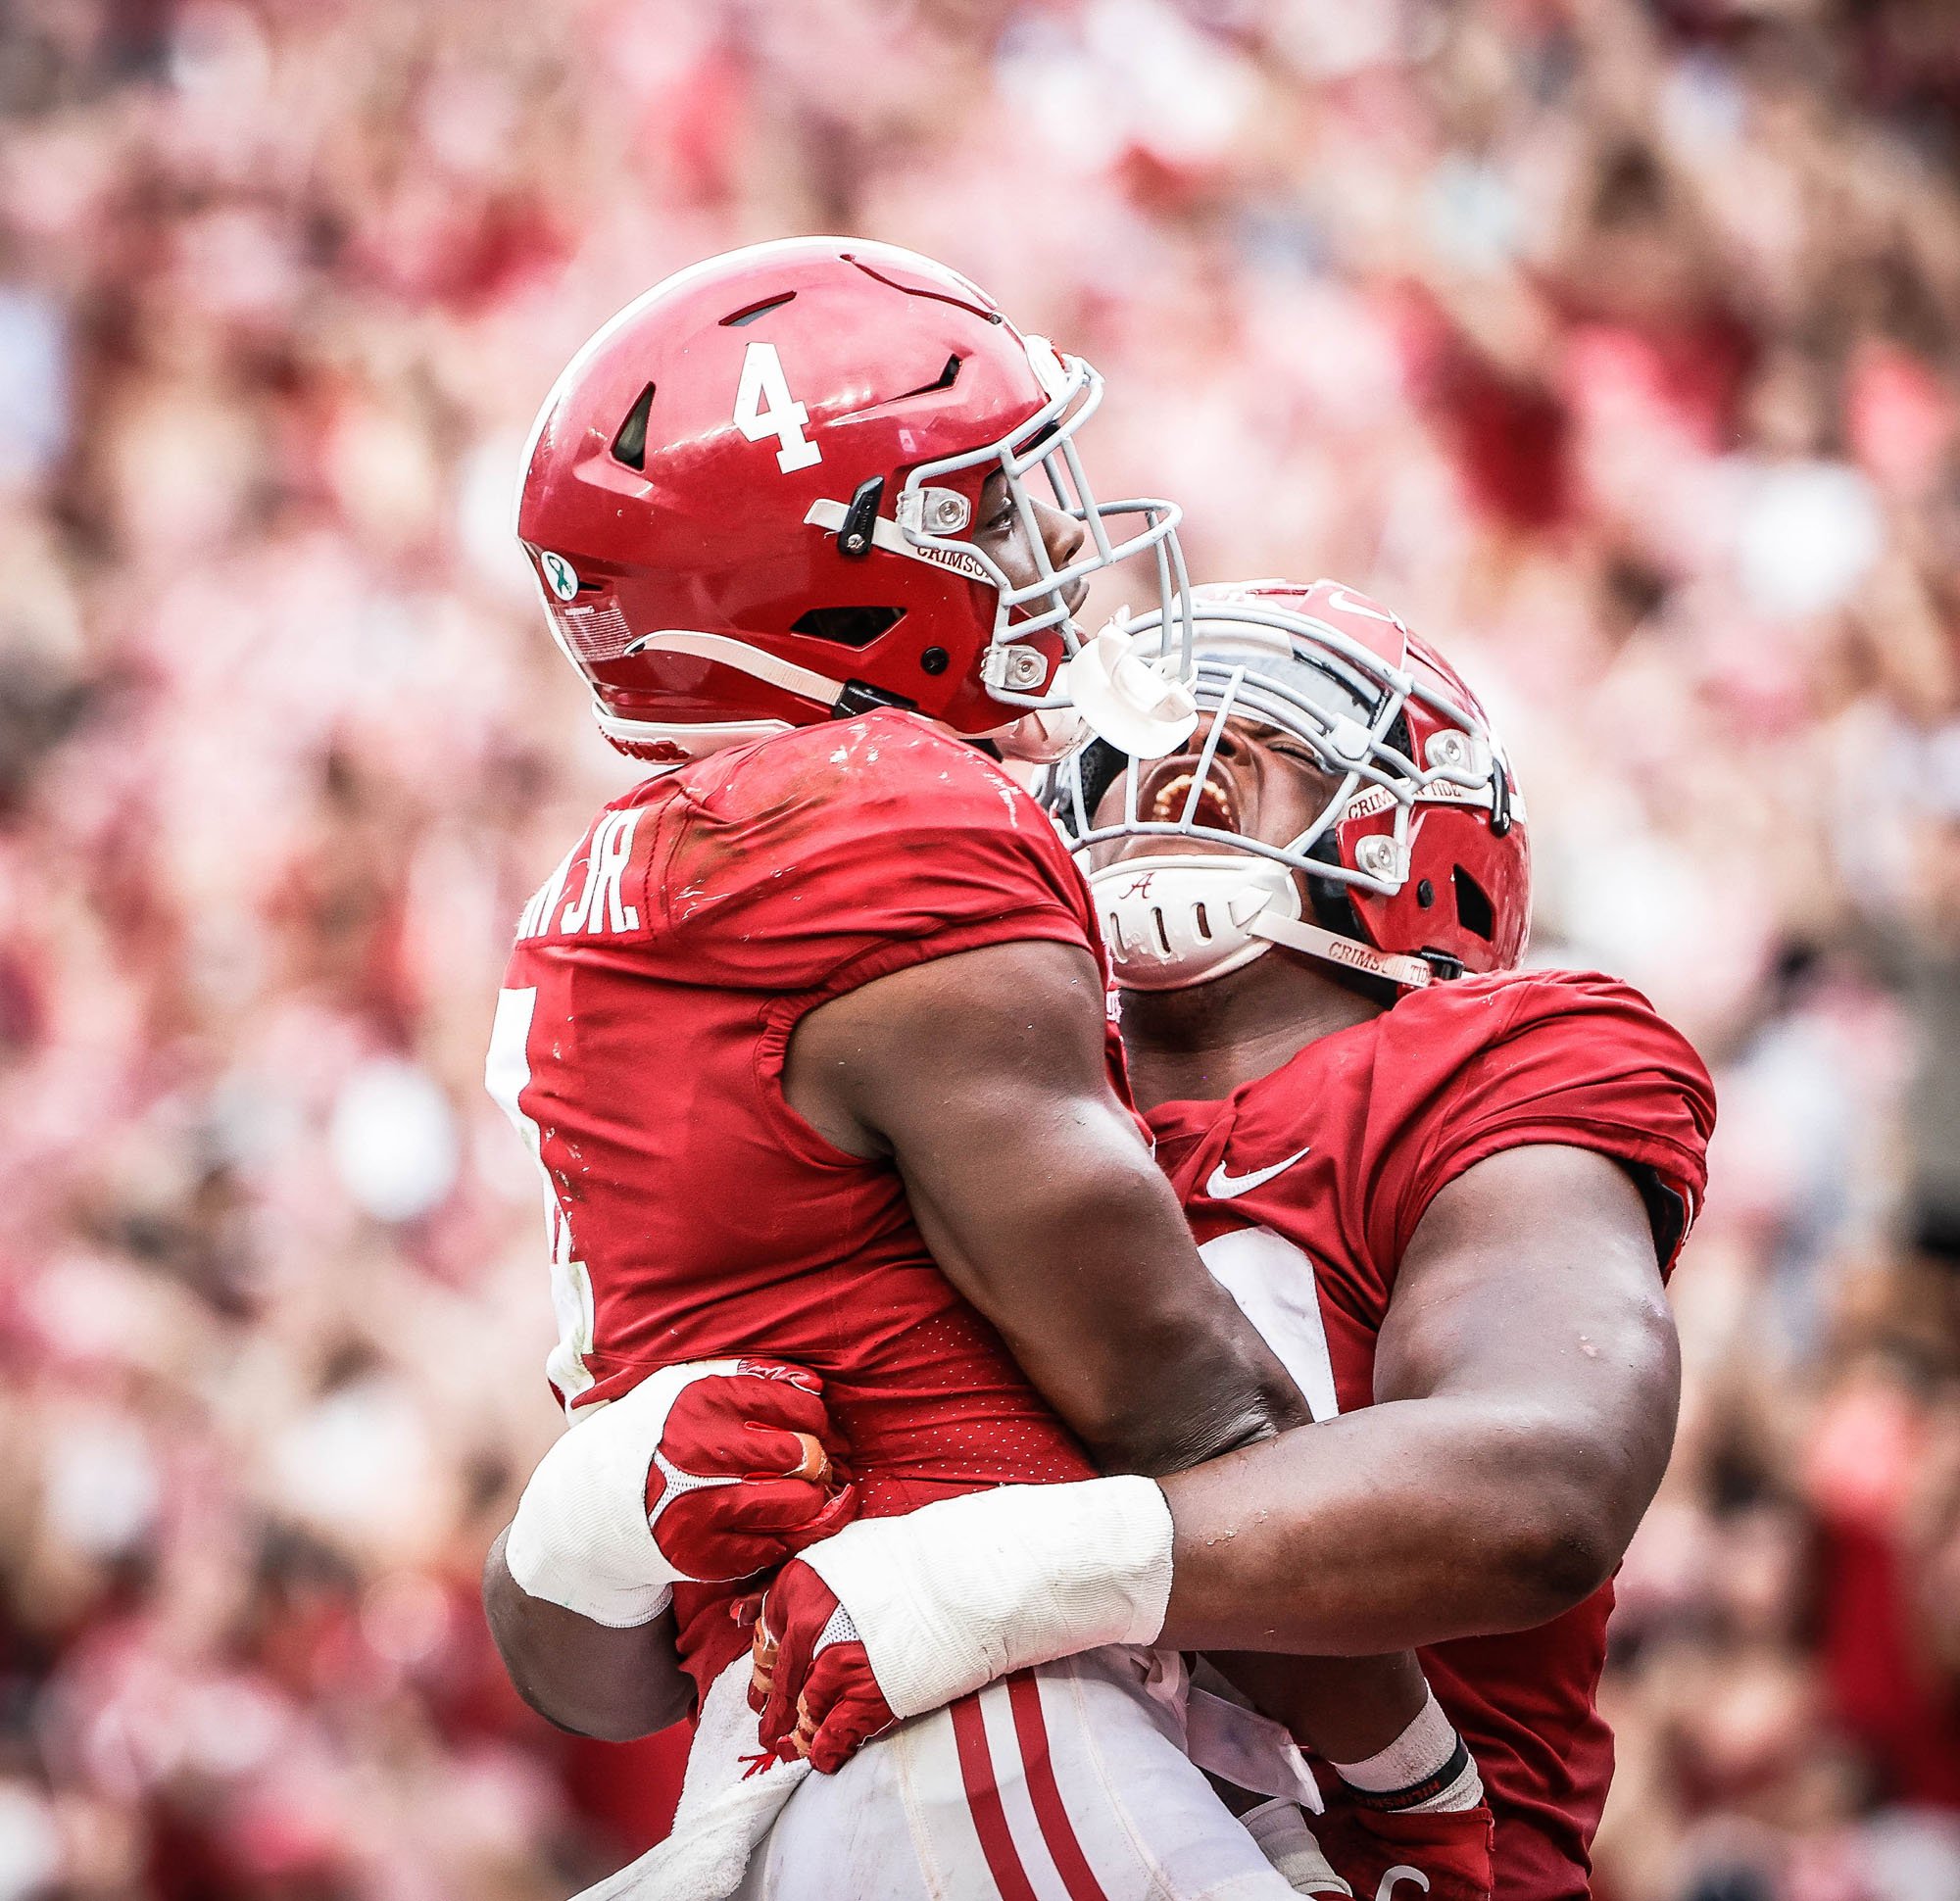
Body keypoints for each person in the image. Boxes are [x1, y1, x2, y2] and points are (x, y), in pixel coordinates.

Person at [480, 244, 1479, 1901]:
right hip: (984, 1731)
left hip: (814, 1748)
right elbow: (1175, 1392)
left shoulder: (621, 882)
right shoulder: (886, 814)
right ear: (816, 581)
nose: (1062, 547)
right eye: (990, 508)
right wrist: (1409, 1771)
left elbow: (599, 1662)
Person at [750, 580, 1718, 1901]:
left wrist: (999, 1578)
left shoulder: (1499, 1059)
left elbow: (1543, 1488)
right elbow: (589, 1674)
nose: (1177, 762)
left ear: (1429, 830)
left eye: (1269, 728)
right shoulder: (939, 1098)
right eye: (1134, 742)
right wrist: (610, 1517)